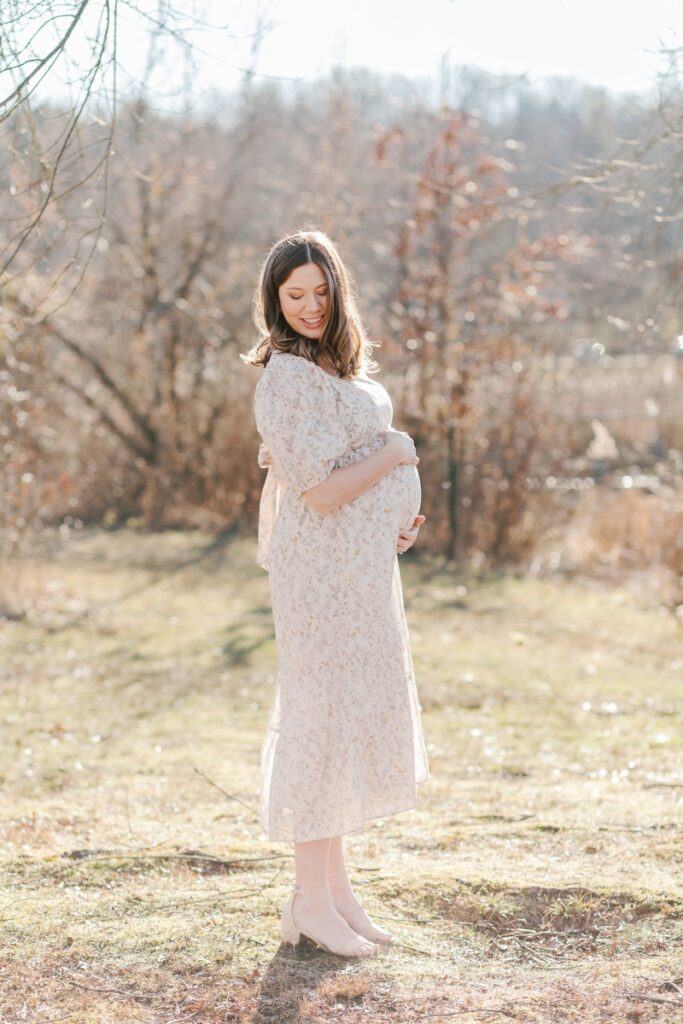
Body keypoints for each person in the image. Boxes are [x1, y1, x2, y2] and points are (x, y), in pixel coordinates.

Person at [242, 228, 430, 958]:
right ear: (273, 299)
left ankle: (335, 892)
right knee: (320, 718)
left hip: (358, 569)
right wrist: (395, 452)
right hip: (319, 575)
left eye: (321, 293)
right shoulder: (285, 375)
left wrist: (392, 523)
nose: (310, 307)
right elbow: (319, 494)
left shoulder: (330, 365)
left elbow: (346, 477)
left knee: (344, 713)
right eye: (294, 295)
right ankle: (307, 898)